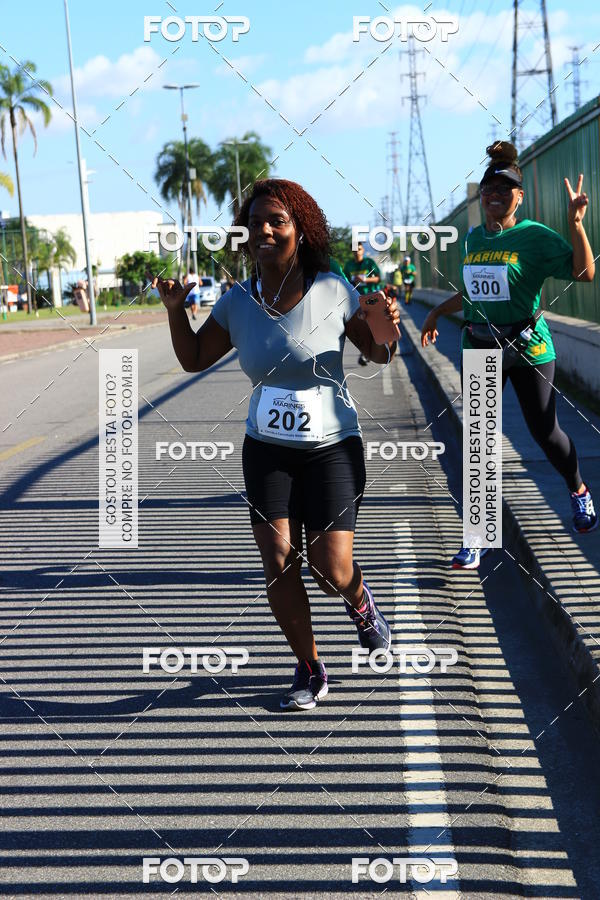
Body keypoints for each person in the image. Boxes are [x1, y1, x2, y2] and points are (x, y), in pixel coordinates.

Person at [154, 178, 399, 709]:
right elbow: (195, 358)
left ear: (300, 230)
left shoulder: (333, 289)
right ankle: (309, 668)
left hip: (333, 444)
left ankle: (361, 602)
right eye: (256, 222)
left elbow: (377, 355)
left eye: (278, 222)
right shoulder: (238, 301)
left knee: (330, 569)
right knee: (278, 561)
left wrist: (385, 330)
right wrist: (177, 311)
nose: (265, 230)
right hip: (266, 447)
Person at [421, 141, 597, 569]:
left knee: (545, 431)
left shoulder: (534, 236)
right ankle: (478, 537)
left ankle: (578, 491)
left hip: (529, 347)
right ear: (480, 197)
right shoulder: (474, 238)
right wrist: (436, 313)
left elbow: (584, 273)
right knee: (479, 441)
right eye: (488, 190)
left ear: (519, 197)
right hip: (480, 344)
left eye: (506, 190)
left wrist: (576, 224)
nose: (495, 195)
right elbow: (473, 294)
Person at [344, 242, 382, 366]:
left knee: (372, 325)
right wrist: (351, 281)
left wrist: (365, 279)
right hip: (356, 299)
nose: (357, 252)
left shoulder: (369, 263)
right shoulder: (349, 265)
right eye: (354, 249)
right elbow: (344, 280)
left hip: (370, 297)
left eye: (359, 249)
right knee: (362, 325)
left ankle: (372, 351)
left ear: (363, 250)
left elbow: (378, 278)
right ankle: (365, 352)